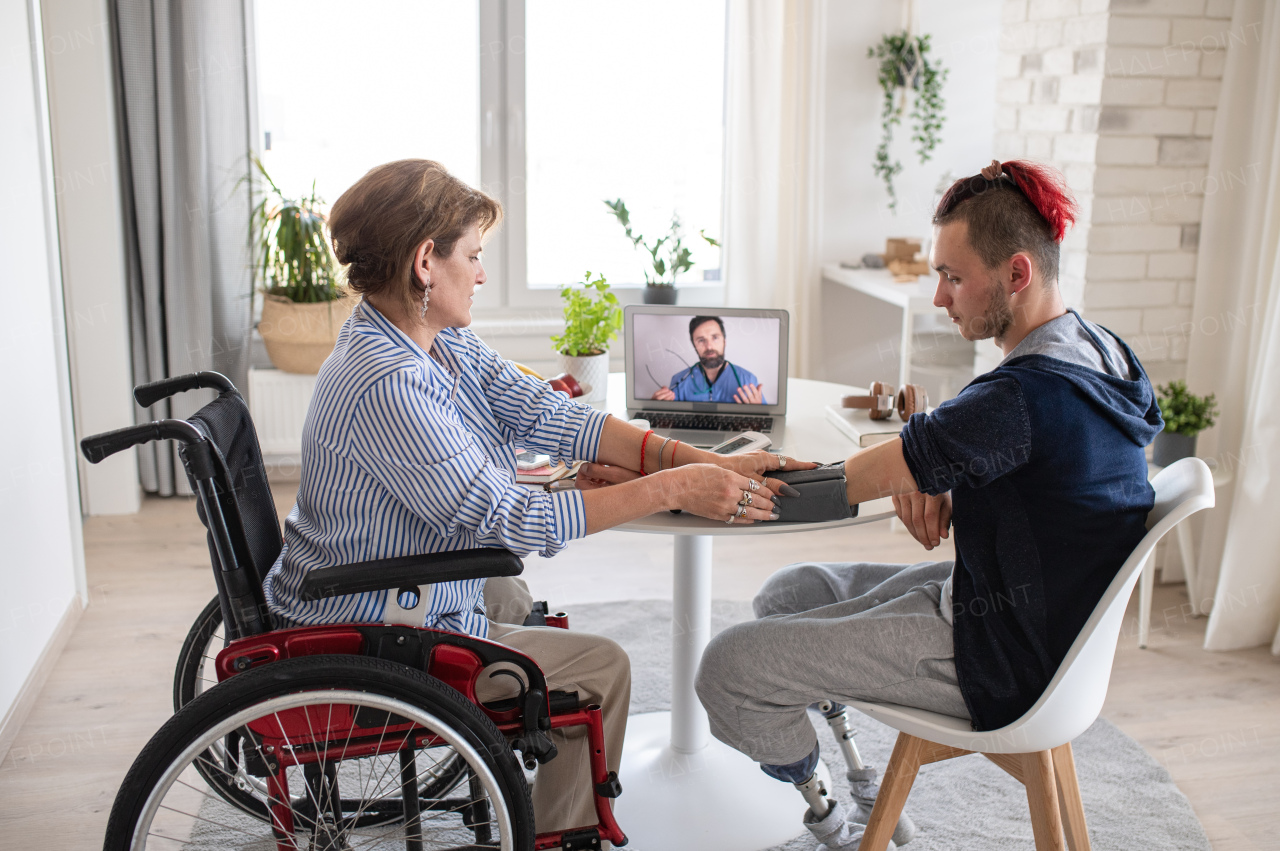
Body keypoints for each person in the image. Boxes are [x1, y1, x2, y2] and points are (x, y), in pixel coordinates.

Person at [262, 159, 804, 840]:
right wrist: (666, 489)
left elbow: (546, 412)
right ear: (426, 261)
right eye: (474, 255)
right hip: (369, 629)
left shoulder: (433, 340)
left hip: (368, 587)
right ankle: (561, 833)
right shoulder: (390, 382)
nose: (482, 274)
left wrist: (695, 459)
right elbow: (511, 518)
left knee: (521, 605)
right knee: (602, 665)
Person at [694, 160, 1163, 850]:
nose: (940, 297)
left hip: (999, 656)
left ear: (1017, 274)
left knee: (727, 668)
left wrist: (688, 486)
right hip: (1021, 609)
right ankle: (855, 772)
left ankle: (826, 809)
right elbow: (1009, 446)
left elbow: (835, 487)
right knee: (788, 592)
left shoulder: (1018, 397)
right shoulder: (1102, 351)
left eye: (952, 275)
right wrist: (937, 464)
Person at [652, 315, 767, 404]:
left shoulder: (747, 380)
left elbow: (760, 429)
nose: (709, 346)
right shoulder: (679, 380)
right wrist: (655, 409)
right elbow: (668, 422)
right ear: (694, 345)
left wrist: (759, 411)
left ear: (724, 341)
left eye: (715, 338)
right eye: (701, 340)